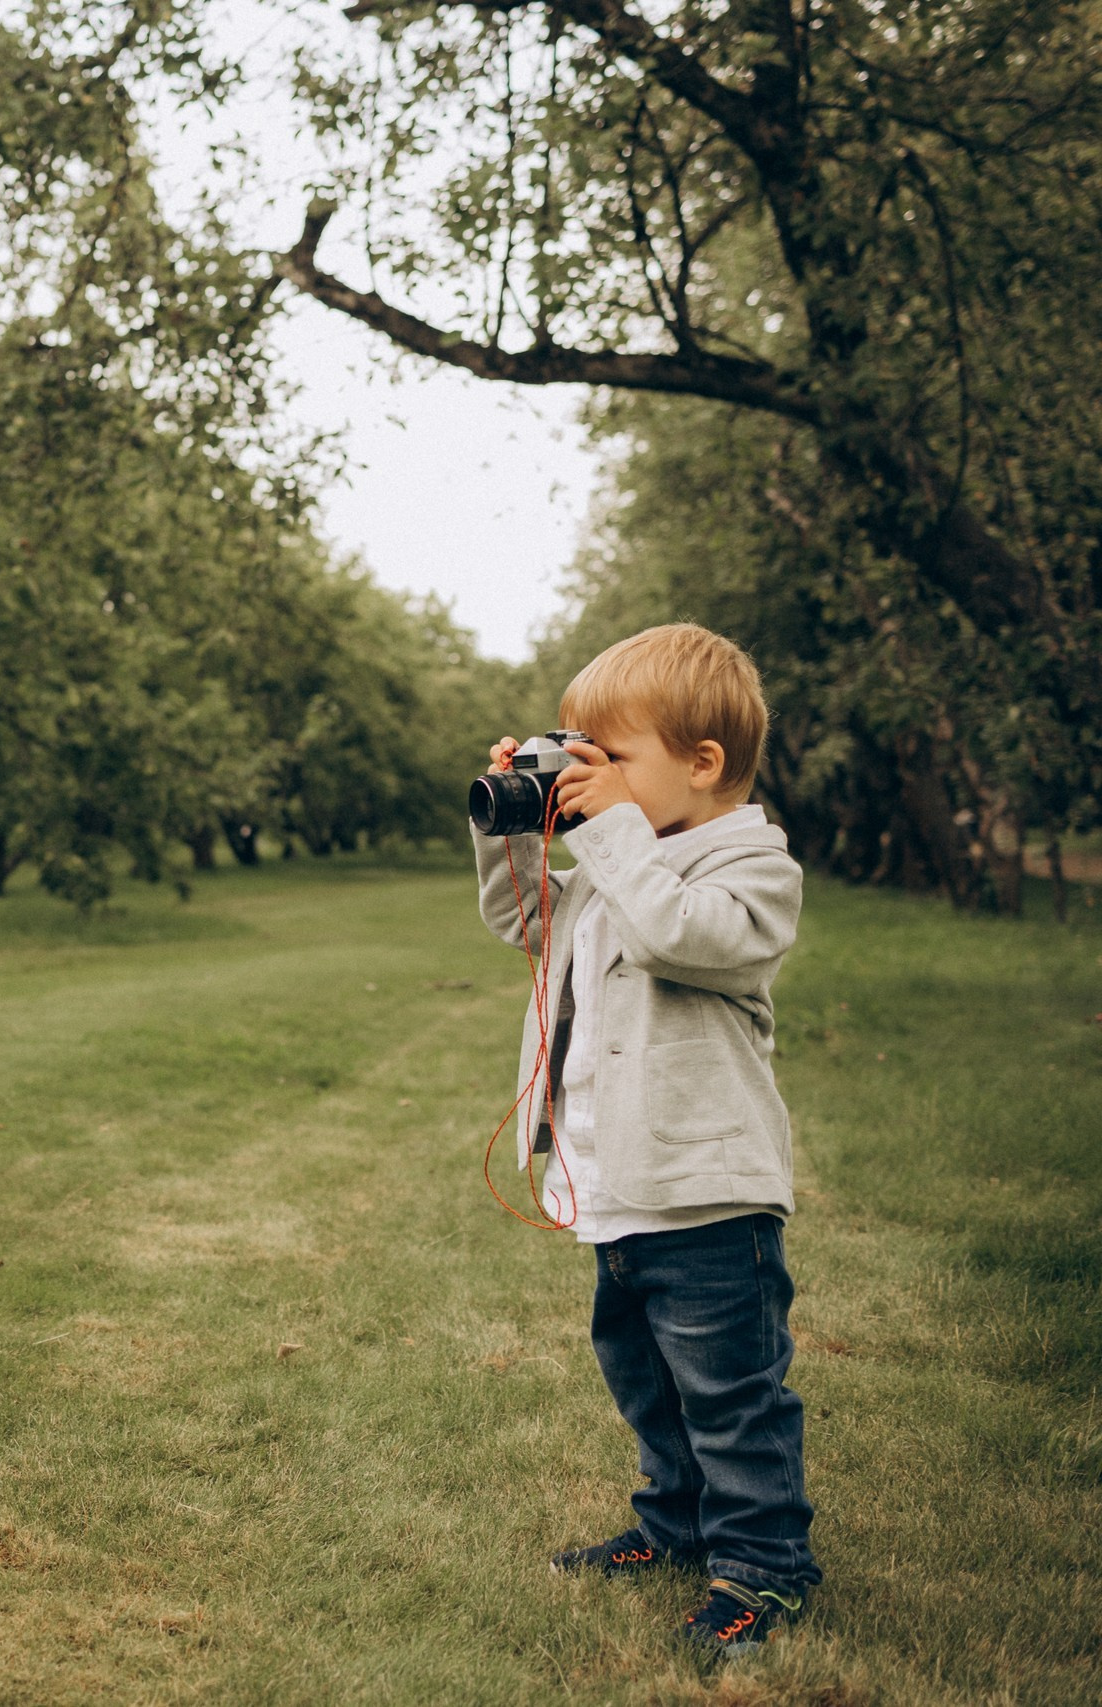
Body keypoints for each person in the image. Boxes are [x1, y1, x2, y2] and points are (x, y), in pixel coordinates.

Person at [475, 623, 819, 1656]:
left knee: (730, 1395)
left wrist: (615, 831)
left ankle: (763, 1566)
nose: (589, 781)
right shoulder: (619, 869)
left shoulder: (749, 870)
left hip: (708, 1199)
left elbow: (682, 933)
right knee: (648, 1380)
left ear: (701, 765)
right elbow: (529, 920)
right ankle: (675, 1524)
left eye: (610, 759)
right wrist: (512, 826)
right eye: (578, 759)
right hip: (619, 1190)